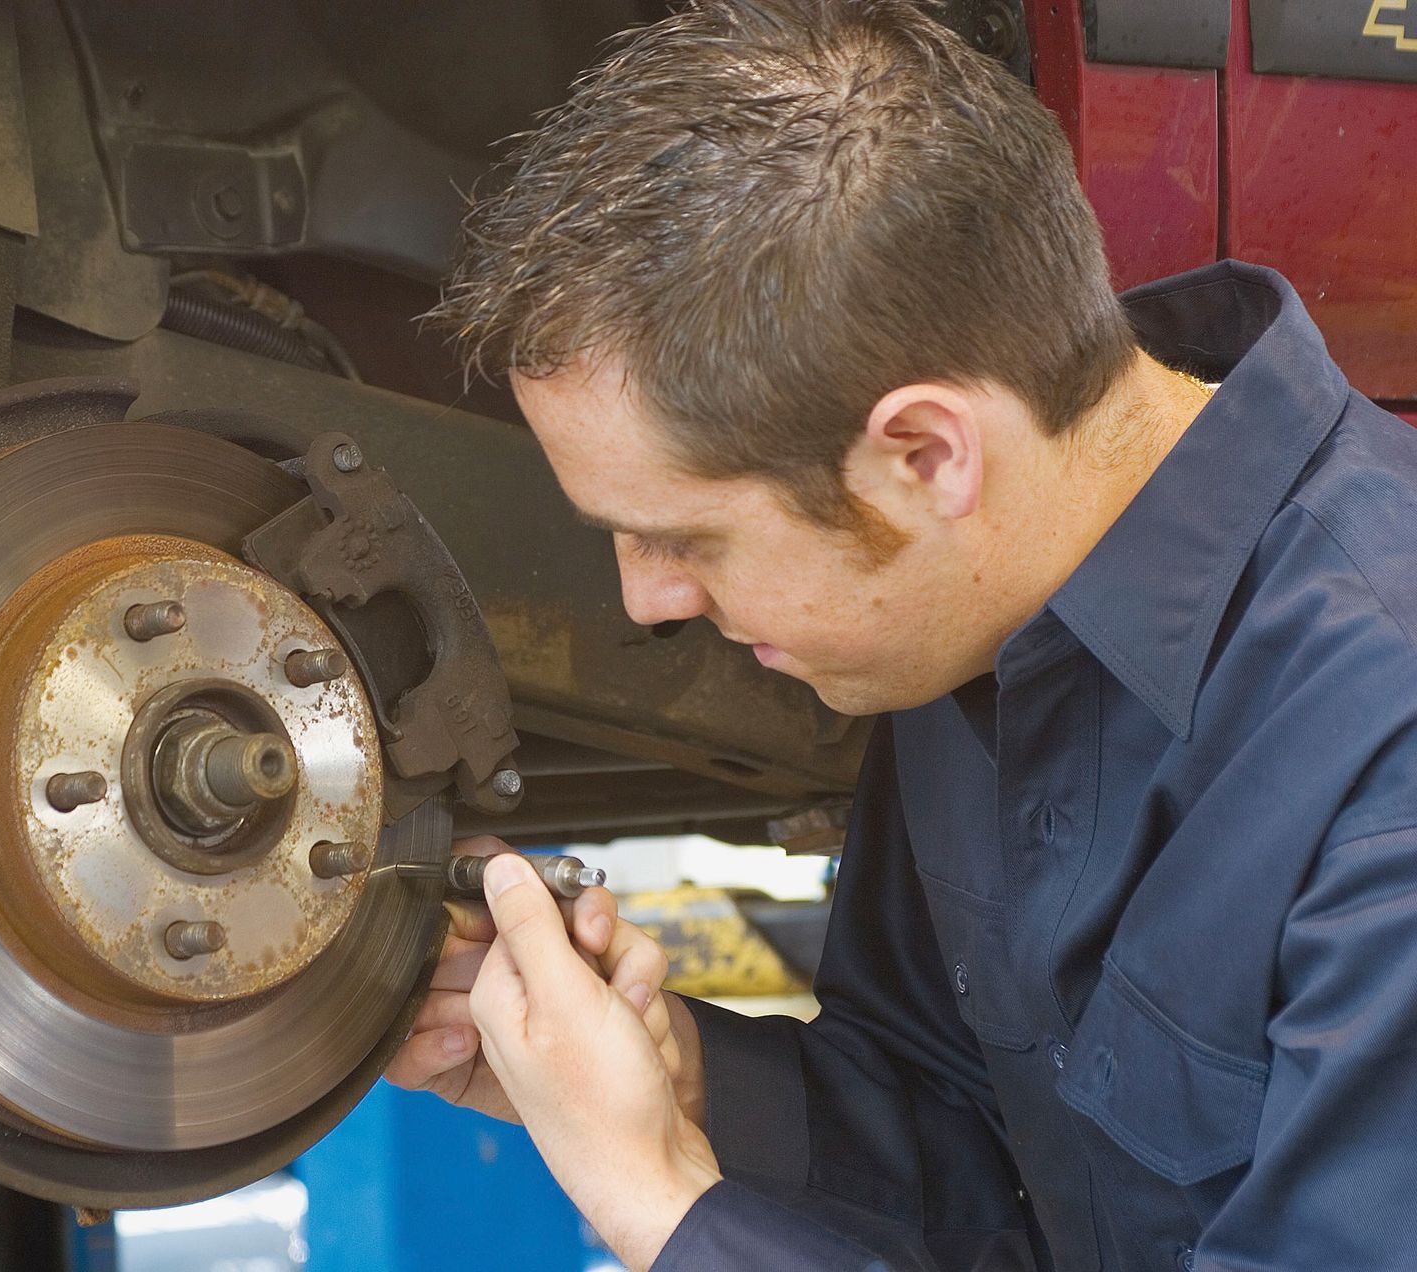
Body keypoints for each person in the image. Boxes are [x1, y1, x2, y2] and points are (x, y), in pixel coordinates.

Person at [381, 1, 1417, 1269]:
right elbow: (975, 1152)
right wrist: (684, 1086)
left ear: (926, 455)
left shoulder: (1386, 759)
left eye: (685, 537)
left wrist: (660, 1205)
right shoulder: (973, 608)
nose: (647, 600)